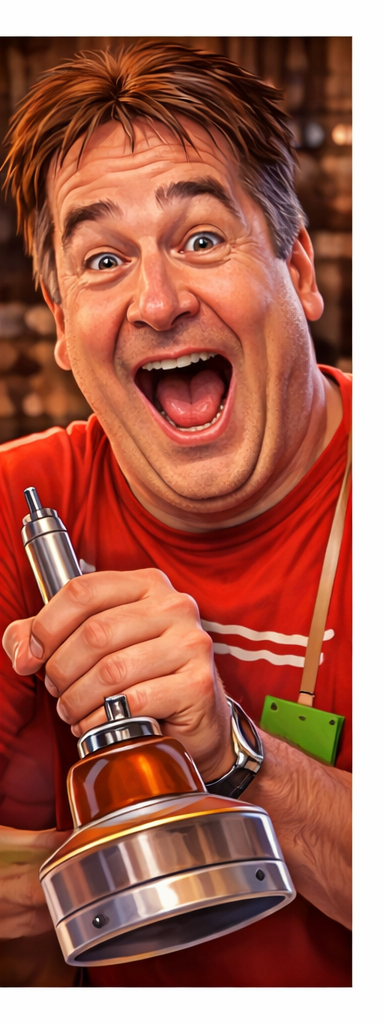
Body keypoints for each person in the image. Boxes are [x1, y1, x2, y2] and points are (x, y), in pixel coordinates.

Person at [0, 41, 351, 988]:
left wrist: (229, 754)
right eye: (104, 259)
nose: (157, 301)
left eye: (201, 238)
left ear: (299, 269)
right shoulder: (18, 505)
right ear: (63, 324)